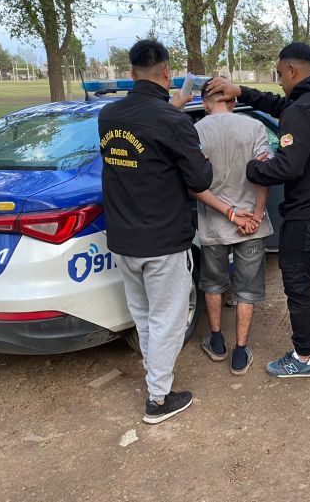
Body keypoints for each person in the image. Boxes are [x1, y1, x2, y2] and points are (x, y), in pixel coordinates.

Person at [207, 42, 310, 384]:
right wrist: (243, 91)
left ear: (292, 70)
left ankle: (304, 357)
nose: (278, 82)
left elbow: (288, 167)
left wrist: (252, 169)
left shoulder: (302, 109)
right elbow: (283, 105)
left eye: (279, 74)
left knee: (299, 287)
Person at [98, 39, 212, 424]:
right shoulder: (173, 122)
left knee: (145, 318)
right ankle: (159, 399)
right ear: (167, 72)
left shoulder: (109, 116)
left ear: (131, 74)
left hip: (124, 240)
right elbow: (200, 178)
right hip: (163, 242)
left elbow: (148, 130)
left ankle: (155, 383)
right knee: (168, 320)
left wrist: (173, 105)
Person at [190, 78, 274, 375]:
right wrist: (257, 214)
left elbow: (193, 185)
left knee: (213, 284)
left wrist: (230, 213)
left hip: (214, 224)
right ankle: (240, 350)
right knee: (247, 288)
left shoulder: (195, 131)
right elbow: (263, 174)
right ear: (233, 101)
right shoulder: (254, 128)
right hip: (252, 224)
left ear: (204, 103)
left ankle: (216, 340)